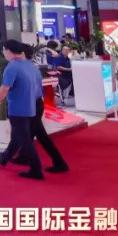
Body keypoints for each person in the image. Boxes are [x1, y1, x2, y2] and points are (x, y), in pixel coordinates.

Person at [0, 40, 45, 180]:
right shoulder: (29, 65)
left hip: (17, 108)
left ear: (9, 51)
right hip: (30, 106)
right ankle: (4, 157)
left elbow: (4, 88)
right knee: (17, 136)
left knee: (25, 140)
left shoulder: (12, 67)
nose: (3, 53)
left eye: (4, 50)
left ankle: (36, 169)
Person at [10, 45, 70, 173]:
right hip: (36, 103)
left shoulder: (23, 68)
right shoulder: (31, 67)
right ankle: (23, 157)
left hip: (31, 104)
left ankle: (57, 163)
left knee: (39, 135)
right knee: (32, 134)